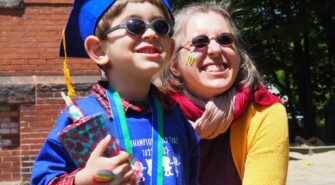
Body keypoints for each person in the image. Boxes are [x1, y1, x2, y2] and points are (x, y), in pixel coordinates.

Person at [30, 0, 199, 185]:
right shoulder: (81, 118)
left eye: (161, 26)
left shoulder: (175, 117)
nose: (151, 33)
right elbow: (43, 180)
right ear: (99, 49)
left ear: (171, 48)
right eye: (134, 25)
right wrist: (83, 180)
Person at [156, 2, 289, 185]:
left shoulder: (264, 112)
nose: (215, 49)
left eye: (225, 40)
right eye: (199, 42)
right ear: (174, 65)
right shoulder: (154, 115)